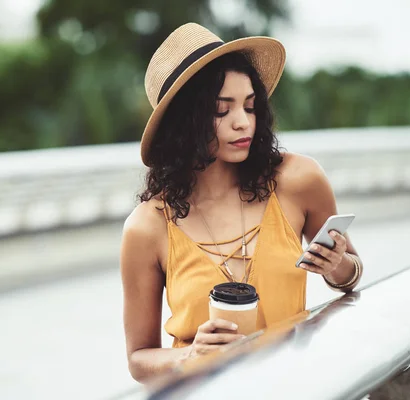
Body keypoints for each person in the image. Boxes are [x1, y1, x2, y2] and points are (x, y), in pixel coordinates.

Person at [120, 23, 363, 383]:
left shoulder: (298, 180)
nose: (242, 123)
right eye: (221, 110)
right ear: (184, 123)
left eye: (249, 107)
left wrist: (336, 265)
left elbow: (351, 275)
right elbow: (139, 360)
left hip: (295, 386)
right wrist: (190, 354)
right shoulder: (147, 226)